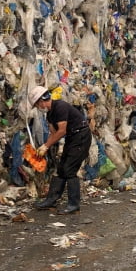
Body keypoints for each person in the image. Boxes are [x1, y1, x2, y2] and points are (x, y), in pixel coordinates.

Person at [28, 85, 91, 214]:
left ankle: (74, 205)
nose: (38, 108)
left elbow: (61, 130)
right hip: (72, 138)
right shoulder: (50, 114)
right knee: (61, 168)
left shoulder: (60, 107)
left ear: (41, 101)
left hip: (81, 136)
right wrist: (45, 146)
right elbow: (53, 132)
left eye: (37, 105)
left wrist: (46, 146)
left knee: (69, 169)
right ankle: (51, 200)